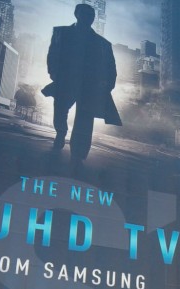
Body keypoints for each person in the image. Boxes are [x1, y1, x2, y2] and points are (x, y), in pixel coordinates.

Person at [41, 3, 121, 169]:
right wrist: (53, 73)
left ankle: (78, 153)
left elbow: (111, 67)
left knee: (84, 120)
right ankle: (61, 133)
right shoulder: (61, 32)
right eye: (84, 14)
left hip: (89, 87)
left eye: (90, 15)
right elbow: (53, 53)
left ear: (93, 19)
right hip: (66, 80)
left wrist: (107, 86)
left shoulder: (103, 44)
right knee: (60, 110)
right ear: (76, 14)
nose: (87, 18)